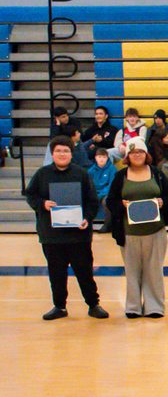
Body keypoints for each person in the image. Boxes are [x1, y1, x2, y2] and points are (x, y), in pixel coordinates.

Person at [25, 136, 108, 320]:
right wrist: (43, 203)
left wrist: (87, 218)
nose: (62, 154)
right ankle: (60, 307)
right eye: (58, 151)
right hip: (51, 235)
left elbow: (93, 201)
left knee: (84, 271)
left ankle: (93, 305)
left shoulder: (82, 174)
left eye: (66, 151)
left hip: (78, 234)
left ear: (72, 154)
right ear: (52, 153)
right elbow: (30, 195)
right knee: (56, 272)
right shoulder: (42, 174)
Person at [105, 138, 168, 318]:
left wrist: (163, 202)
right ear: (128, 156)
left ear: (146, 154)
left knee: (154, 270)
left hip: (155, 231)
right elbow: (110, 201)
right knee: (132, 271)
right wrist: (121, 205)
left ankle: (155, 307)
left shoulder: (157, 174)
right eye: (133, 152)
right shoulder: (120, 176)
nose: (137, 155)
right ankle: (133, 306)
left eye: (140, 152)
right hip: (129, 233)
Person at [88, 148, 116, 231]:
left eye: (104, 157)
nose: (101, 159)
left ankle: (108, 225)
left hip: (107, 193)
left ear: (107, 158)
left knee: (106, 201)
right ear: (96, 158)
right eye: (99, 157)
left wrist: (99, 196)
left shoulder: (112, 168)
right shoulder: (91, 171)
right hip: (95, 192)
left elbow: (111, 186)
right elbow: (89, 185)